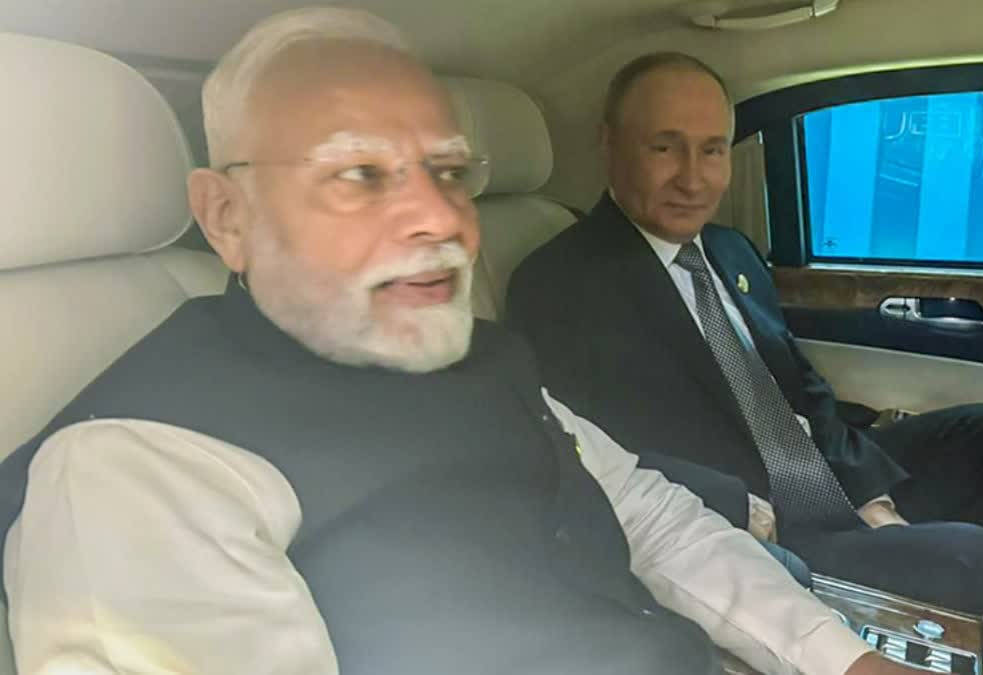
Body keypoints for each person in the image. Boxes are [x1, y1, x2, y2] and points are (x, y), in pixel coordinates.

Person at [0, 9, 934, 675]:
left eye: (447, 171)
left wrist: (842, 659)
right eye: (360, 174)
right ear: (227, 215)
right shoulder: (133, 468)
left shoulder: (474, 356)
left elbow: (650, 516)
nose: (437, 218)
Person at [505, 51, 983, 634]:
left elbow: (801, 389)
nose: (693, 177)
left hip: (815, 475)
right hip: (757, 526)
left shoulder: (730, 251)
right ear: (610, 144)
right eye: (665, 147)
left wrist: (872, 499)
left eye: (711, 150)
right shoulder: (560, 284)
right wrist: (746, 509)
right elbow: (590, 454)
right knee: (971, 555)